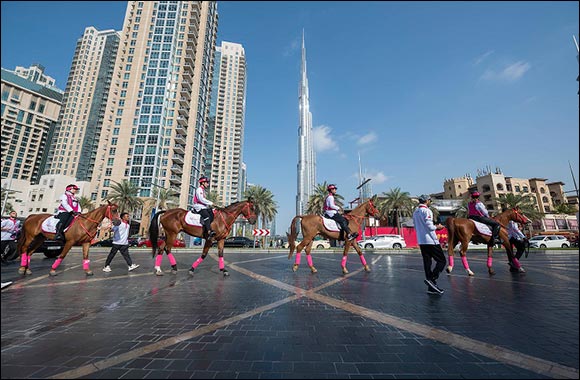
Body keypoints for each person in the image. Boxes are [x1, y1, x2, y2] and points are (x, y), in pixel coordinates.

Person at [412, 194, 446, 295]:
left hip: (422, 241)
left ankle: (431, 287)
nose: (430, 202)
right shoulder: (427, 211)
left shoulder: (415, 212)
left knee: (427, 262)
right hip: (431, 240)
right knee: (442, 261)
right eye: (430, 200)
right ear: (427, 201)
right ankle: (432, 278)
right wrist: (438, 227)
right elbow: (429, 226)